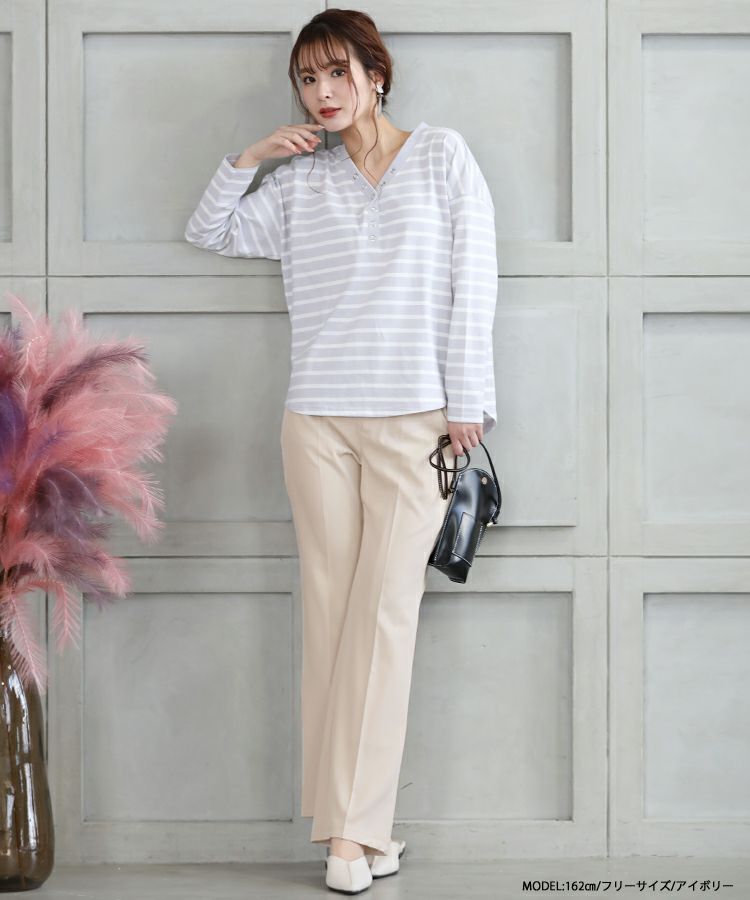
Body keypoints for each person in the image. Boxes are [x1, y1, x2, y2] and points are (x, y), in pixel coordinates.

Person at [184, 9, 498, 894]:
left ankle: (352, 837)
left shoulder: (441, 157)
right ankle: (356, 836)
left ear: (376, 74)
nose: (322, 93)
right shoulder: (298, 185)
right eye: (307, 79)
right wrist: (252, 158)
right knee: (330, 618)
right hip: (315, 423)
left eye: (336, 73)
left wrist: (468, 400)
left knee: (385, 617)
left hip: (415, 425)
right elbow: (211, 231)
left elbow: (474, 280)